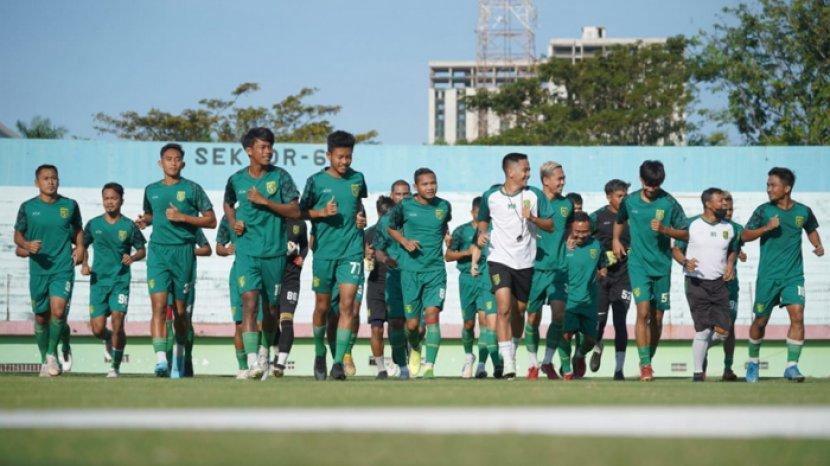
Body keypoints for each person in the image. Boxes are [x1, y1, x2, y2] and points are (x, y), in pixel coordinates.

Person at [223, 128, 299, 379]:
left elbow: (294, 210)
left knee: (271, 310)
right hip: (247, 252)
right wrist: (235, 222)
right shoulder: (236, 179)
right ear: (249, 151)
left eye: (270, 147)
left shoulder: (280, 177)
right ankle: (253, 362)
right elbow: (227, 203)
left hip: (274, 253)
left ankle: (266, 352)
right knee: (249, 302)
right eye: (262, 147)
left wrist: (266, 202)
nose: (268, 151)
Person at [742, 167, 823, 383]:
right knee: (760, 321)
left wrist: (817, 244)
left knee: (798, 314)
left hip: (793, 276)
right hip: (768, 277)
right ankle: (753, 362)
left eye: (773, 185)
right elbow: (744, 235)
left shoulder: (803, 211)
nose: (768, 189)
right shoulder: (763, 211)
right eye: (768, 185)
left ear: (786, 189)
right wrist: (766, 228)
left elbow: (811, 228)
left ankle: (791, 366)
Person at [300, 130, 367, 381]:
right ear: (328, 155)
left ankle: (338, 362)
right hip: (324, 253)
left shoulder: (358, 179)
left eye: (348, 157)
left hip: (351, 250)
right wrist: (320, 213)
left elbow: (358, 207)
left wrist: (362, 218)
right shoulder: (316, 181)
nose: (345, 162)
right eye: (340, 157)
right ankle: (319, 352)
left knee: (348, 305)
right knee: (323, 307)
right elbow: (300, 211)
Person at [477, 153, 550, 379]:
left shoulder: (534, 194)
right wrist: (481, 234)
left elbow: (551, 225)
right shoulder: (490, 196)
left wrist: (534, 219)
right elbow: (483, 220)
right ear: (511, 172)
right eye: (525, 170)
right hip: (499, 259)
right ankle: (507, 360)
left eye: (529, 170)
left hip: (526, 261)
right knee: (504, 308)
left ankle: (513, 349)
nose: (529, 174)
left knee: (519, 311)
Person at [613, 160, 688, 381]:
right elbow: (620, 220)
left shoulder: (669, 203)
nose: (653, 188)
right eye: (649, 184)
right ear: (641, 180)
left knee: (656, 317)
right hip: (638, 264)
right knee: (643, 311)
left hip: (662, 266)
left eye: (657, 184)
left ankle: (648, 358)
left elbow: (685, 233)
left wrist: (666, 229)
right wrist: (617, 239)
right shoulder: (630, 200)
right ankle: (645, 365)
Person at [14, 164, 84, 377]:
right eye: (45, 178)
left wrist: (80, 247)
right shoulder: (27, 207)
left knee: (59, 310)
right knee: (42, 317)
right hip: (38, 271)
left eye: (54, 178)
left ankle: (52, 355)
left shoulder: (70, 205)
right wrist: (27, 245)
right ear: (37, 183)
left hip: (62, 268)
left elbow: (78, 230)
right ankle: (46, 358)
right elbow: (17, 236)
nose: (50, 181)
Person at [387, 168, 452, 379]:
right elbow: (391, 228)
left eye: (433, 182)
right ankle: (415, 348)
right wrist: (405, 242)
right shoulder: (405, 206)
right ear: (416, 187)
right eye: (425, 184)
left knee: (432, 314)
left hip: (435, 271)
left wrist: (447, 238)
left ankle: (429, 366)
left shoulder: (444, 206)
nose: (430, 187)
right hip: (410, 272)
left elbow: (443, 226)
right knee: (413, 325)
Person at [672, 188, 739, 382]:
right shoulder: (691, 224)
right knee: (703, 330)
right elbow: (676, 249)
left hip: (720, 285)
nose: (724, 205)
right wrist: (685, 262)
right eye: (720, 201)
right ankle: (698, 372)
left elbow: (733, 250)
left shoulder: (729, 228)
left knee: (724, 332)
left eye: (725, 202)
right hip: (696, 283)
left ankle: (699, 346)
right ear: (708, 204)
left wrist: (730, 264)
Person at [81, 183, 146, 378]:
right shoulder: (93, 224)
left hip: (120, 281)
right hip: (98, 282)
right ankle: (107, 338)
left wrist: (132, 257)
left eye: (113, 198)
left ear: (121, 201)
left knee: (118, 322)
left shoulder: (128, 226)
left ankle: (115, 367)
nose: (109, 202)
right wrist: (84, 264)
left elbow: (142, 249)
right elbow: (82, 245)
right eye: (106, 198)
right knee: (98, 329)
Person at [446, 197, 498, 378]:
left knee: (485, 322)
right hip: (467, 280)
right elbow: (448, 255)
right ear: (472, 212)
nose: (481, 216)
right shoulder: (462, 231)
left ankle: (482, 365)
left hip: (486, 278)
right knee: (469, 323)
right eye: (477, 213)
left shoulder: (495, 229)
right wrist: (466, 253)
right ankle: (469, 356)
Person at [523, 162, 565, 380]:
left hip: (558, 270)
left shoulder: (566, 204)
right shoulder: (530, 200)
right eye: (559, 178)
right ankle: (532, 363)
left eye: (563, 177)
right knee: (532, 318)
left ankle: (548, 361)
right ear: (545, 180)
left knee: (559, 315)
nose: (562, 182)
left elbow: (568, 233)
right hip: (534, 269)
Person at [588, 179, 632, 380]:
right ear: (609, 196)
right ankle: (597, 345)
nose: (624, 200)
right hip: (601, 278)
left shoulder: (633, 217)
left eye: (626, 195)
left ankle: (619, 369)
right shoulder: (597, 217)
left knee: (620, 321)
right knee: (599, 321)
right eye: (619, 196)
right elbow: (583, 240)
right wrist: (599, 265)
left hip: (625, 277)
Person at [559, 212, 607, 380]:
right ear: (571, 229)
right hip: (569, 300)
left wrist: (602, 274)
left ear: (590, 230)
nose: (580, 235)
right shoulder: (563, 246)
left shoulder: (597, 246)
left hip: (589, 301)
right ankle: (566, 370)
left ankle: (579, 354)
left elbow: (603, 267)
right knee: (565, 335)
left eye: (585, 231)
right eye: (577, 231)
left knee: (590, 340)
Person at [372, 182, 412, 379]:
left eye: (406, 194)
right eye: (398, 194)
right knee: (396, 322)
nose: (402, 198)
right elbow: (377, 250)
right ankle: (403, 366)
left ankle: (414, 350)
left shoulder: (419, 215)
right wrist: (386, 259)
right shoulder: (385, 221)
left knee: (416, 326)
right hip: (394, 277)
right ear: (392, 195)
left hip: (418, 275)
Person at [364, 196, 397, 379]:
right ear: (378, 212)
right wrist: (366, 255)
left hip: (394, 284)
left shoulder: (398, 232)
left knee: (396, 327)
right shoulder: (369, 233)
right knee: (376, 328)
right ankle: (380, 368)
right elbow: (362, 258)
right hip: (376, 284)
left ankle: (398, 361)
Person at [272, 218, 308, 376]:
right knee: (271, 318)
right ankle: (275, 354)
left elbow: (305, 245)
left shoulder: (300, 223)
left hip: (291, 277)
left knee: (286, 319)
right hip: (272, 275)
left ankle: (280, 364)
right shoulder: (271, 219)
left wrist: (302, 257)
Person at [720, 191, 747, 381]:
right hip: (707, 285)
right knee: (705, 328)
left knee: (729, 326)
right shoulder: (704, 227)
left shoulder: (738, 229)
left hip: (730, 285)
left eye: (731, 209)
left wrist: (740, 254)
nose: (729, 212)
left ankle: (728, 368)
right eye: (725, 208)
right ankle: (701, 367)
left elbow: (737, 248)